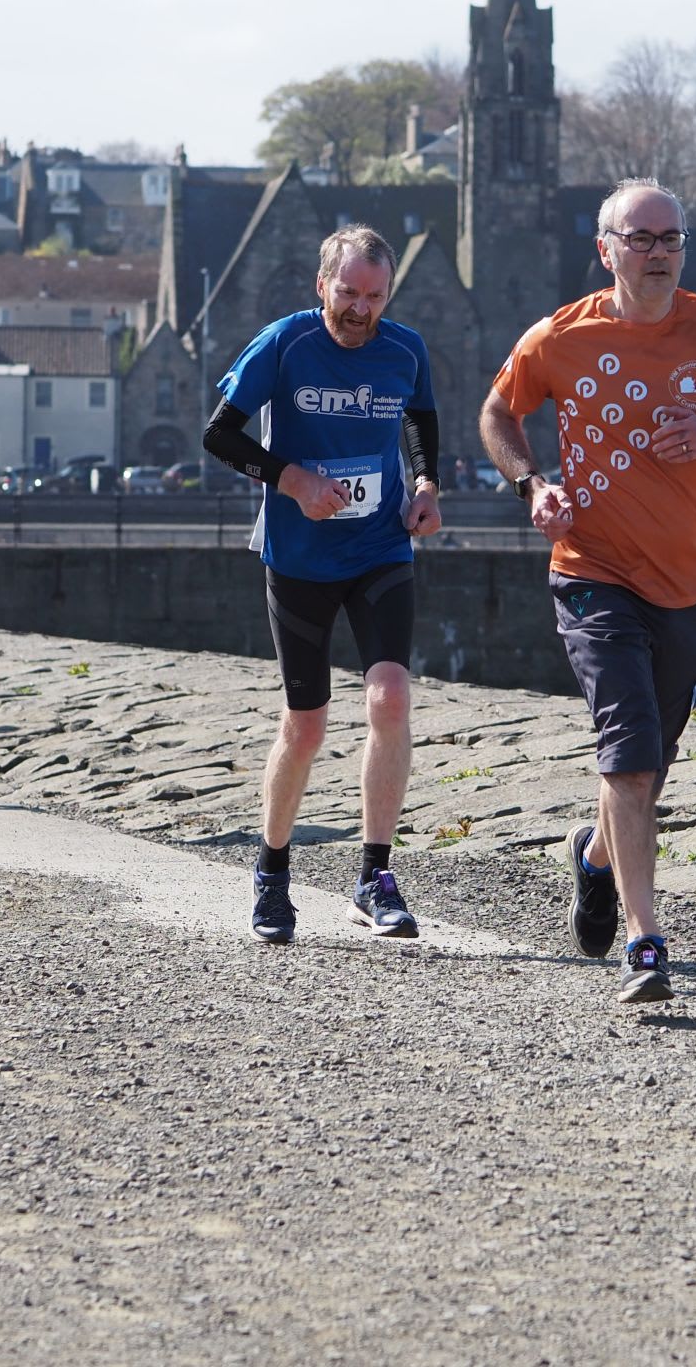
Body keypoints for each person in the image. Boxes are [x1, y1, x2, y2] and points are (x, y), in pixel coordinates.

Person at [479, 180, 696, 1003]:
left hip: (686, 583)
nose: (657, 252)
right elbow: (498, 415)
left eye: (671, 239)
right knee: (628, 747)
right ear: (605, 247)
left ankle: (593, 855)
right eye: (641, 237)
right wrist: (531, 485)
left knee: (651, 767)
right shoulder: (562, 335)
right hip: (591, 571)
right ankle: (647, 944)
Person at [205, 224, 443, 944]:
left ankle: (375, 877)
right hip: (300, 554)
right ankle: (272, 872)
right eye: (348, 293)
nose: (360, 309)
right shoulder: (285, 342)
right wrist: (291, 478)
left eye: (374, 296)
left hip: (379, 546)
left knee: (391, 695)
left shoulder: (405, 348)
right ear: (322, 286)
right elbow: (220, 434)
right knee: (304, 726)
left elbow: (420, 421)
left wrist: (428, 482)